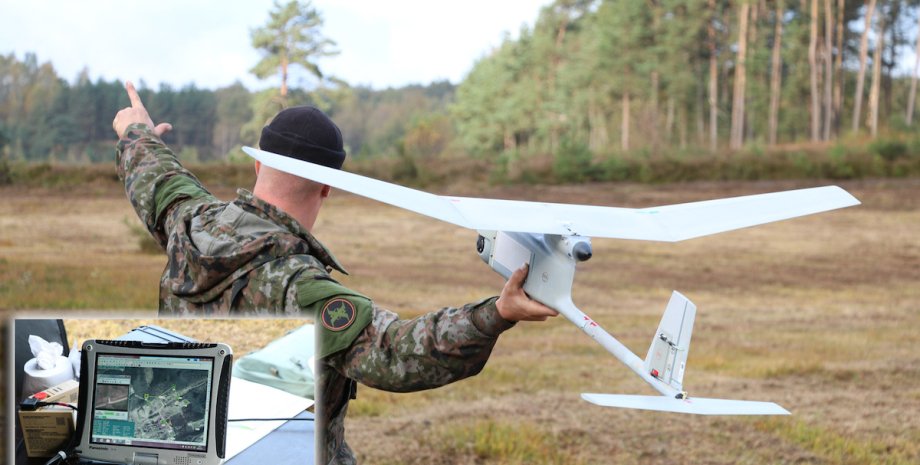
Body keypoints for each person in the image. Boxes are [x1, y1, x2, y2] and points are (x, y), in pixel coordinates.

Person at [112, 81, 559, 464]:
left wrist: (136, 130)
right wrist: (496, 313)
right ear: (328, 185)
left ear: (257, 164)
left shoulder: (187, 223)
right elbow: (399, 353)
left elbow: (156, 177)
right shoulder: (302, 291)